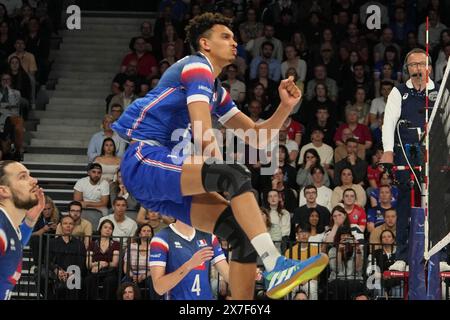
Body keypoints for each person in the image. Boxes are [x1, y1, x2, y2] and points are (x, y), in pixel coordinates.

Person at [112, 13, 328, 300]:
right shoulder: (196, 66)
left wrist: (285, 107)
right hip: (144, 158)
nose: (234, 42)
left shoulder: (216, 90)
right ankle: (276, 263)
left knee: (240, 232)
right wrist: (219, 174)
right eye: (225, 36)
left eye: (234, 37)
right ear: (205, 43)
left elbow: (257, 136)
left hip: (167, 179)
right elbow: (202, 130)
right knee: (233, 174)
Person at [380, 48, 440, 271]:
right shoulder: (399, 92)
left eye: (421, 64)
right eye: (412, 65)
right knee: (406, 205)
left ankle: (439, 254)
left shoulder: (439, 91)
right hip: (406, 153)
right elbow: (388, 123)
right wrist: (387, 151)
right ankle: (402, 257)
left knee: (436, 206)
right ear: (407, 69)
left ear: (429, 68)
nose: (417, 68)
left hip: (434, 155)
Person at [149, 218, 229, 300]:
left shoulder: (209, 236)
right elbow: (159, 288)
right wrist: (189, 265)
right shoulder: (161, 238)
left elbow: (227, 273)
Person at [0, 160, 45, 300]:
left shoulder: (9, 226)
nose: (34, 180)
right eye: (23, 176)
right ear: (3, 191)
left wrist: (30, 222)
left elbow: (14, 247)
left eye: (30, 175)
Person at [47, 215, 86, 300]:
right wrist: (57, 271)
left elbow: (81, 263)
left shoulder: (79, 244)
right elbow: (48, 260)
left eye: (71, 224)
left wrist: (70, 273)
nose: (68, 226)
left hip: (73, 273)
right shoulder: (52, 242)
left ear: (74, 226)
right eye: (65, 223)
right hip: (56, 272)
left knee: (75, 281)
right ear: (60, 226)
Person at [85, 219, 120, 300]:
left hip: (110, 272)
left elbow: (114, 263)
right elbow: (88, 264)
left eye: (110, 228)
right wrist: (100, 263)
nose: (108, 230)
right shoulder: (92, 244)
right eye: (105, 227)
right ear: (100, 229)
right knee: (88, 280)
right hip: (94, 271)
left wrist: (103, 264)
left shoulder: (116, 244)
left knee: (109, 281)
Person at [123, 223, 160, 300]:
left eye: (149, 231)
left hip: (149, 275)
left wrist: (143, 276)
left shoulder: (156, 248)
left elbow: (156, 268)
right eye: (144, 231)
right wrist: (132, 275)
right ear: (139, 234)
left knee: (154, 282)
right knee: (125, 283)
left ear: (152, 234)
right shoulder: (132, 246)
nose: (146, 232)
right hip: (132, 275)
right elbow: (126, 266)